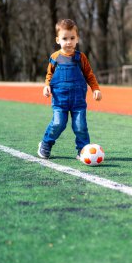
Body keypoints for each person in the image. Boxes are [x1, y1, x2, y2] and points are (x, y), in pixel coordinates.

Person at [38, 19, 102, 160]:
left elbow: (89, 75)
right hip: (60, 100)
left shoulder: (81, 58)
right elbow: (49, 74)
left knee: (80, 126)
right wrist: (46, 86)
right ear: (57, 40)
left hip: (78, 101)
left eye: (72, 38)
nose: (68, 42)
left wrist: (95, 89)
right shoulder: (55, 57)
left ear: (77, 39)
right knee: (58, 124)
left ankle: (83, 150)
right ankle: (46, 143)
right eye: (65, 38)